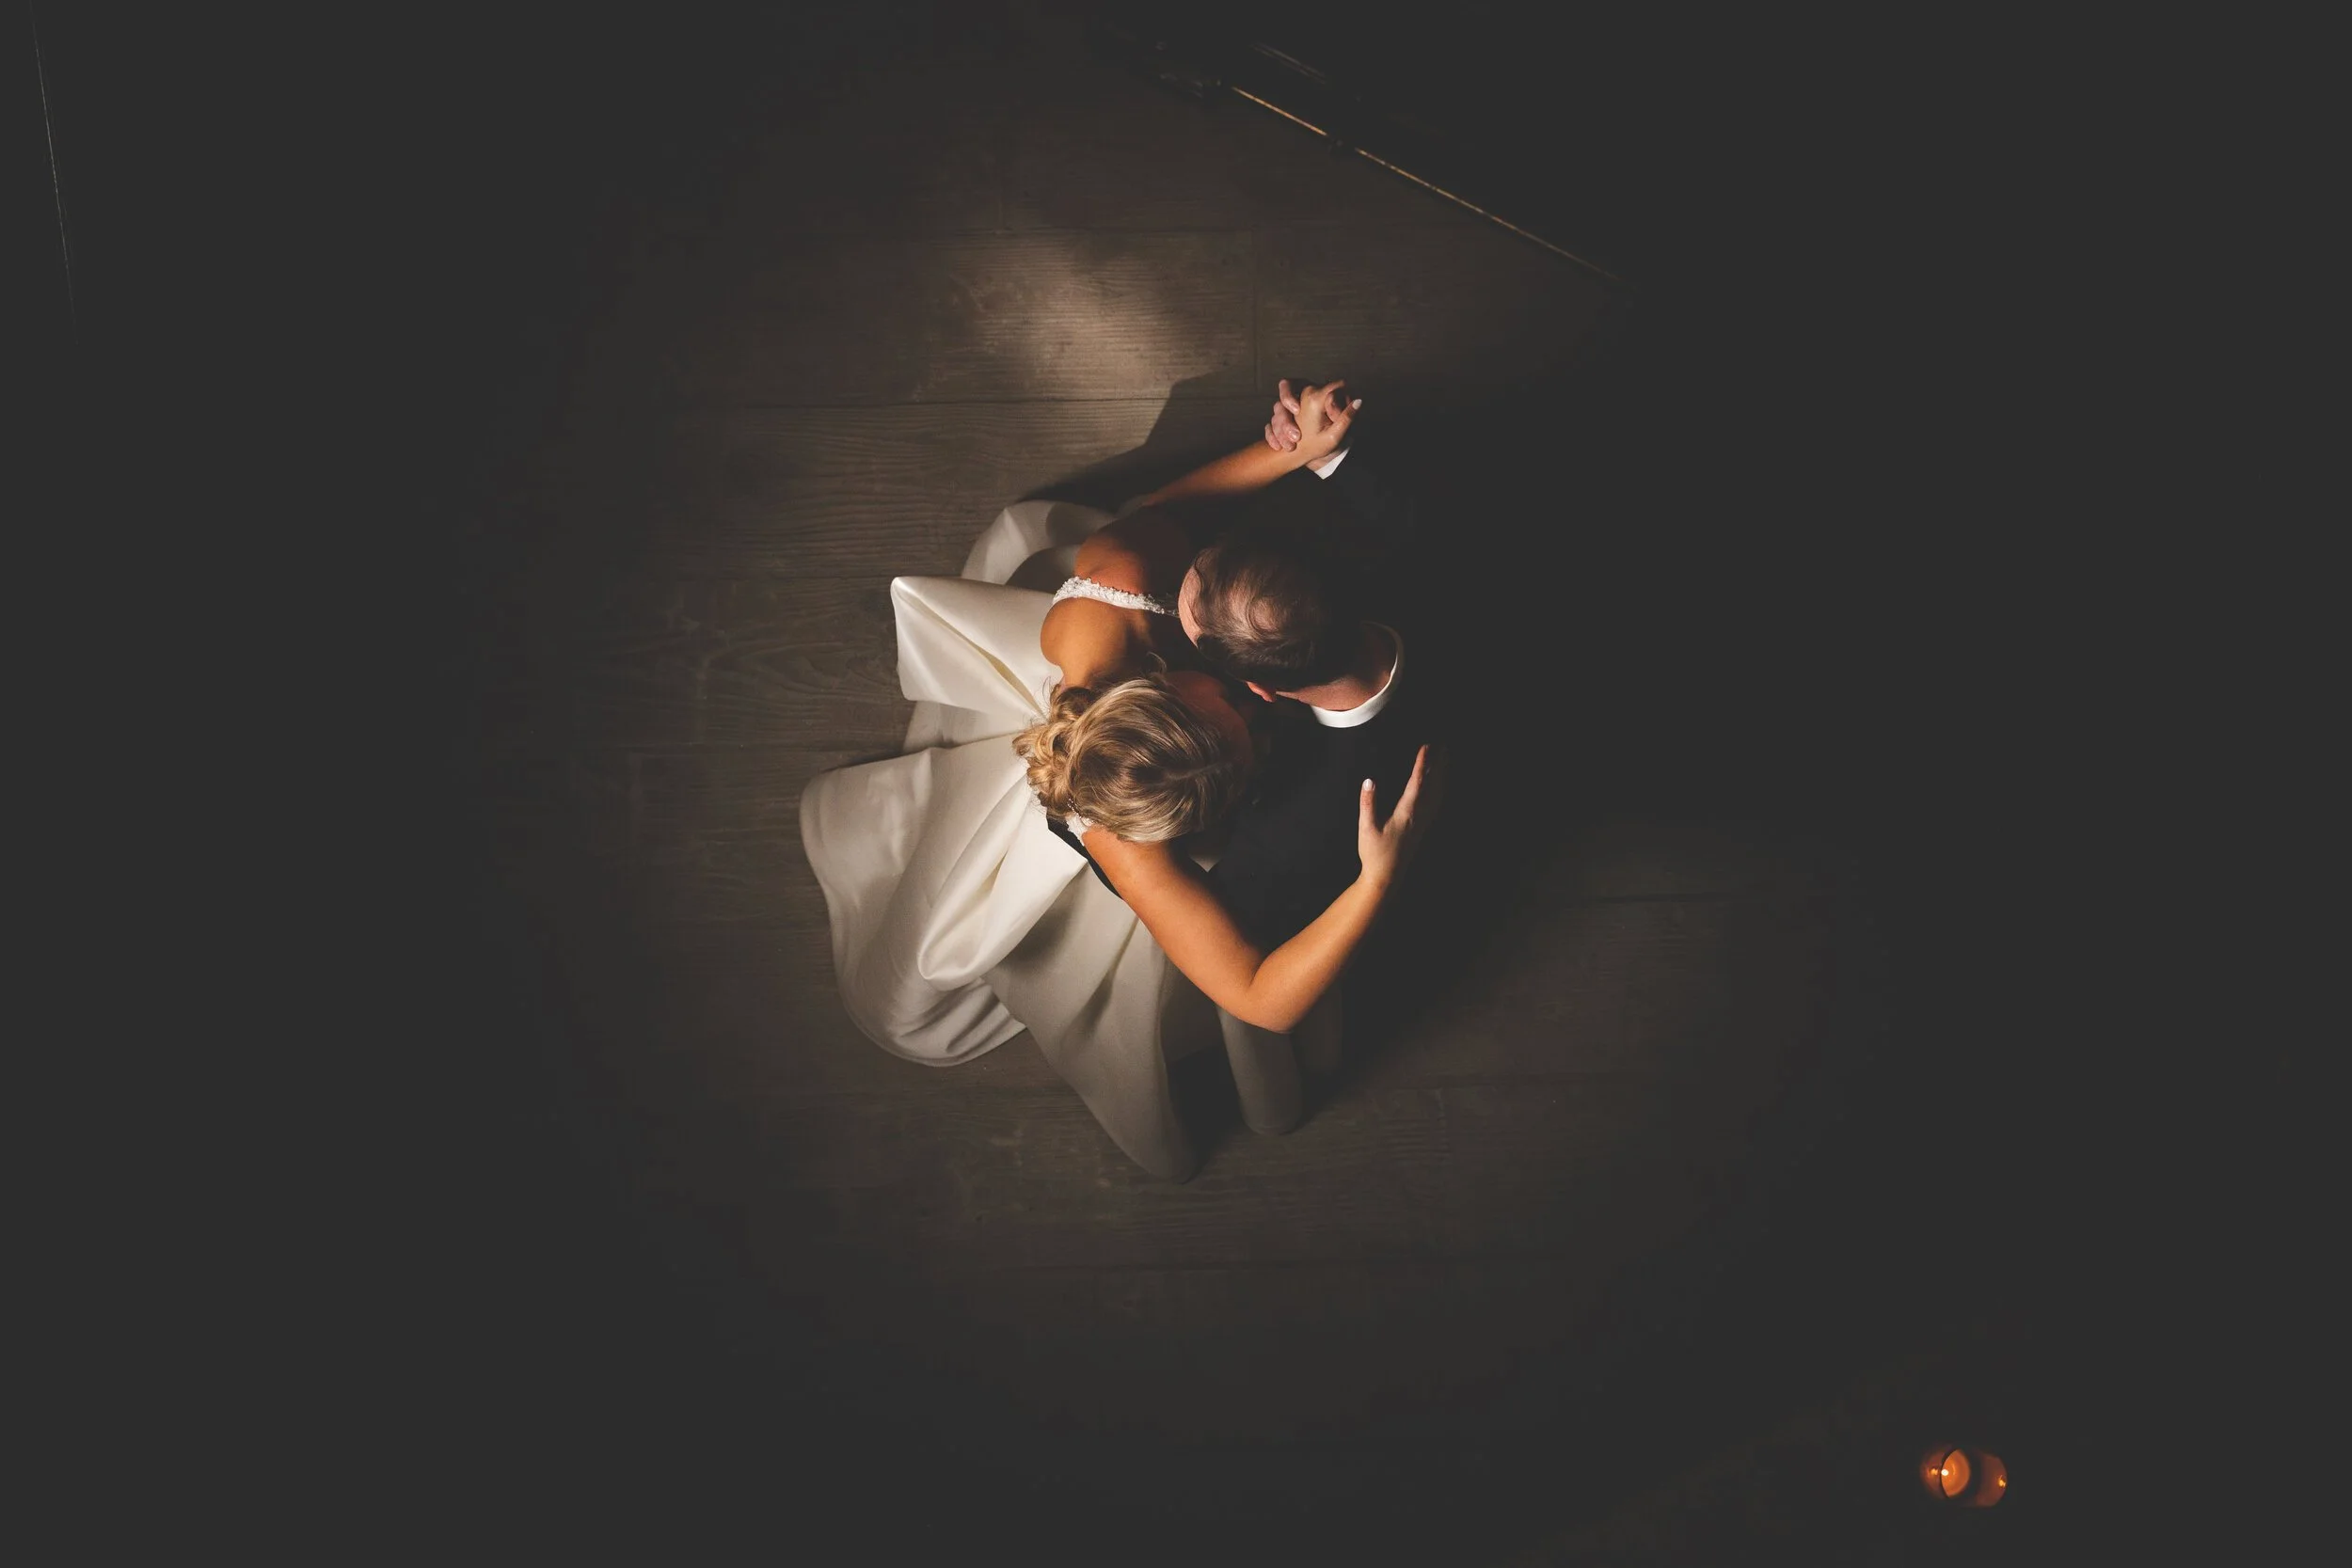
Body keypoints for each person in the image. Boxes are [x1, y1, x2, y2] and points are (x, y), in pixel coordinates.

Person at [798, 382, 1437, 1180]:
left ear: (1161, 679)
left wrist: (1292, 452)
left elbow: (1163, 510)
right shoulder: (1125, 848)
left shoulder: (1115, 588)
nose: (1253, 704)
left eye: (1232, 706)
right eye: (1248, 724)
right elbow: (1258, 996)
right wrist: (1375, 882)